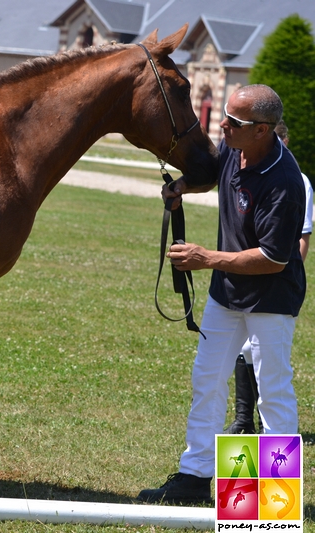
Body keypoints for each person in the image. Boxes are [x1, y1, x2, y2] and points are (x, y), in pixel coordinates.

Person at [137, 85, 306, 504]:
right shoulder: (234, 146)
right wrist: (183, 188)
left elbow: (273, 259)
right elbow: (214, 174)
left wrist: (206, 257)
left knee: (273, 389)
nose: (222, 126)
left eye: (234, 121)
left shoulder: (286, 182)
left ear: (263, 130)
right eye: (224, 116)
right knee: (207, 379)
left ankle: (274, 495)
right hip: (225, 294)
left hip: (271, 299)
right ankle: (195, 476)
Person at [224, 120, 313, 435]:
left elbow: (301, 239)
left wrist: (280, 273)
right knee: (236, 355)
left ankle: (278, 484)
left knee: (273, 384)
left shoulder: (296, 181)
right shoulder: (242, 168)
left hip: (274, 286)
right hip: (240, 284)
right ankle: (244, 421)